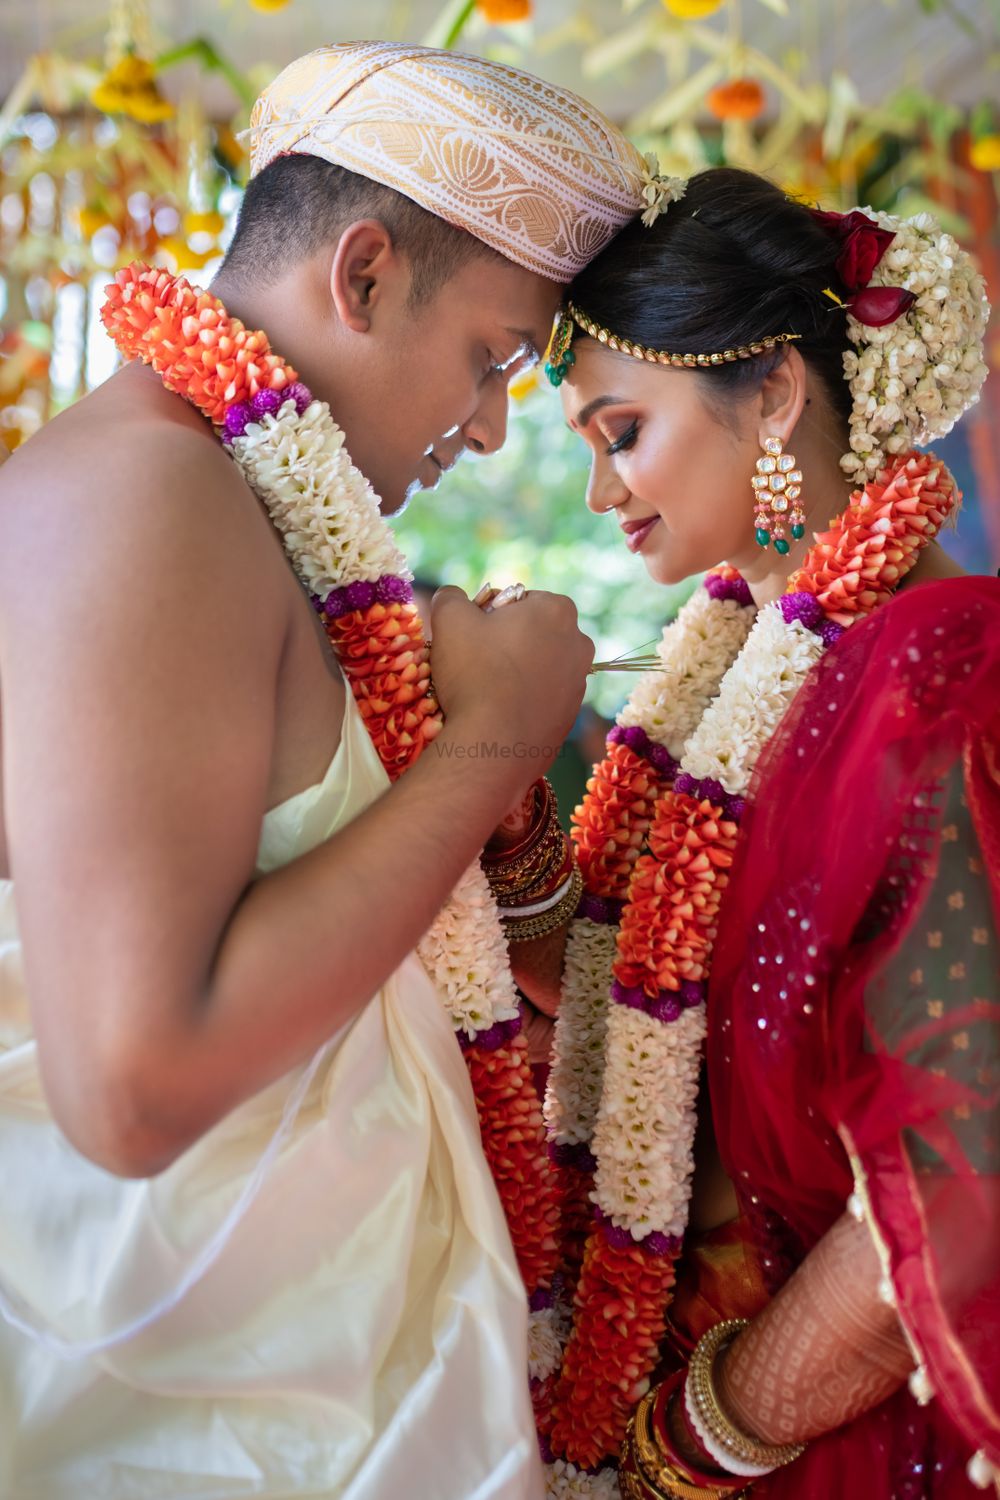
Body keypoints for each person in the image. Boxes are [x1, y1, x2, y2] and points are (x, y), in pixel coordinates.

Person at [0, 41, 660, 1500]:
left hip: (307, 1391)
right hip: (191, 1432)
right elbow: (138, 1084)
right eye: (490, 361)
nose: (490, 429)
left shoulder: (235, 506)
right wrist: (499, 735)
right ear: (362, 275)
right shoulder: (148, 501)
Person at [523, 166, 998, 1496]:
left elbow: (968, 1155)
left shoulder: (940, 669)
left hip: (837, 1424)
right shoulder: (724, 672)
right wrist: (500, 797)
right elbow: (645, 1018)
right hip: (683, 1370)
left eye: (623, 431)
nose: (602, 493)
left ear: (777, 392)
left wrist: (706, 1436)